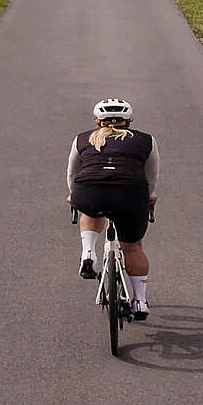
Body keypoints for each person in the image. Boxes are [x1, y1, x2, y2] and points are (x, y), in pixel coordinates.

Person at [66, 98, 158, 320]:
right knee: (132, 247)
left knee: (90, 209)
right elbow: (151, 176)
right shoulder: (146, 140)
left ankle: (88, 253)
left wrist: (74, 195)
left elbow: (72, 173)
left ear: (97, 120)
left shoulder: (82, 138)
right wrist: (150, 196)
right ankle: (139, 302)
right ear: (129, 121)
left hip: (89, 192)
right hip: (130, 196)